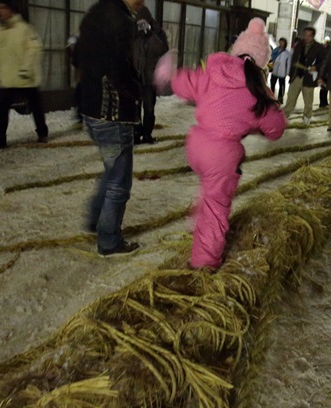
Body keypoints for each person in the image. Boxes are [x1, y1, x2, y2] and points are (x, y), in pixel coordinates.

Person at [153, 18, 287, 269]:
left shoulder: (213, 70)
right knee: (216, 208)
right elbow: (276, 129)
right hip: (222, 155)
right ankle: (204, 263)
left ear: (236, 50)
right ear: (262, 61)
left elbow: (184, 84)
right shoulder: (257, 89)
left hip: (197, 145)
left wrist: (172, 75)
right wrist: (269, 111)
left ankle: (202, 209)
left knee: (211, 187)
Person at [76, 0, 145, 257]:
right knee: (119, 182)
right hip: (112, 112)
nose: (143, 2)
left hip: (91, 107)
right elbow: (120, 70)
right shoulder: (120, 21)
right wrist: (137, 92)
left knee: (111, 170)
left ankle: (96, 219)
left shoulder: (96, 12)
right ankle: (109, 240)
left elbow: (77, 57)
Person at [0, 0, 48, 149]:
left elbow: (34, 49)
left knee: (36, 107)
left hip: (25, 78)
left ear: (11, 9)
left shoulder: (25, 29)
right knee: (1, 110)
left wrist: (26, 69)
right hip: (7, 78)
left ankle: (42, 133)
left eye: (3, 7)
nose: (0, 11)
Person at [133, 6, 169, 144]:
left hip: (150, 78)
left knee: (149, 108)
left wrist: (150, 34)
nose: (141, 24)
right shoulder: (132, 33)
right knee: (135, 109)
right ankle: (135, 134)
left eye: (144, 21)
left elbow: (163, 50)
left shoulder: (157, 33)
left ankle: (147, 134)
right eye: (139, 22)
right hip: (135, 78)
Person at [282, 26, 325, 125]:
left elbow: (324, 62)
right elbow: (293, 59)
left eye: (309, 36)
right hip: (296, 76)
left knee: (308, 100)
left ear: (313, 36)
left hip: (309, 78)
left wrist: (316, 67)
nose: (306, 38)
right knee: (291, 98)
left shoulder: (319, 47)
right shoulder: (298, 45)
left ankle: (307, 117)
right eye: (305, 35)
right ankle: (284, 117)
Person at [270, 37, 291, 104]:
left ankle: (280, 97)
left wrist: (287, 72)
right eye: (280, 42)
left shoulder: (287, 53)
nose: (281, 43)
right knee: (272, 83)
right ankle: (271, 96)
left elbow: (288, 63)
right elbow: (271, 58)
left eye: (283, 42)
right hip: (275, 70)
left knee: (281, 85)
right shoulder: (276, 50)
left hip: (282, 71)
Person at [318, 36, 331, 108]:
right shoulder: (324, 52)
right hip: (324, 73)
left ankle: (324, 102)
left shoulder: (326, 52)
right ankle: (322, 102)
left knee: (325, 88)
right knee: (323, 88)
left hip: (326, 73)